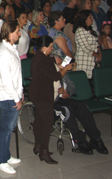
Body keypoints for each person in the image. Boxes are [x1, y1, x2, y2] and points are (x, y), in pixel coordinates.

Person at [29, 36, 73, 164]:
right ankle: (44, 151)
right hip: (42, 94)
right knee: (47, 122)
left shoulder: (39, 57)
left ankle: (38, 145)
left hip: (37, 92)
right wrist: (65, 69)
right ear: (44, 47)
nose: (52, 48)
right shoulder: (44, 60)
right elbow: (55, 76)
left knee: (39, 119)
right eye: (50, 46)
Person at [0, 21, 23, 175]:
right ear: (10, 33)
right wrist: (16, 98)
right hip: (7, 97)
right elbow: (6, 81)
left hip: (13, 95)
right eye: (17, 31)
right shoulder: (4, 53)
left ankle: (6, 155)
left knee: (9, 128)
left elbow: (16, 75)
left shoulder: (11, 48)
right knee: (5, 129)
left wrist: (20, 92)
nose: (19, 34)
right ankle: (1, 161)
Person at [73, 10, 101, 79]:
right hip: (84, 61)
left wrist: (99, 53)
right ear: (84, 19)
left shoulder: (91, 30)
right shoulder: (80, 31)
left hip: (93, 61)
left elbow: (97, 43)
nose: (92, 18)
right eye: (90, 17)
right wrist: (97, 55)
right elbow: (86, 48)